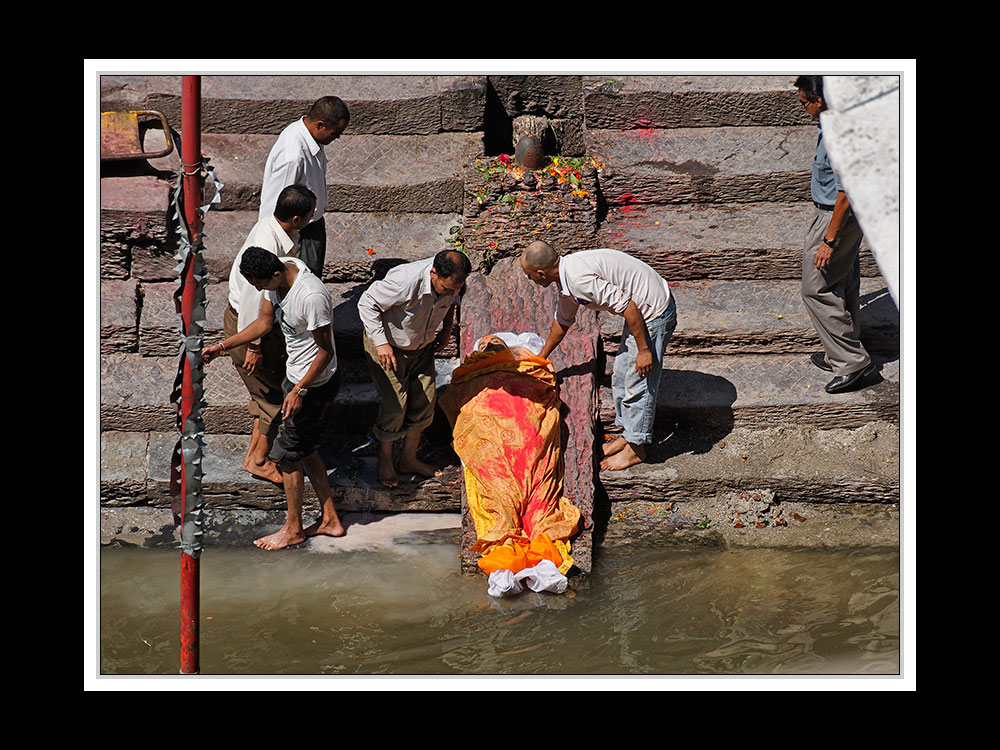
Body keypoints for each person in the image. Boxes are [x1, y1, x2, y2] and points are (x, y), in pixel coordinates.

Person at [204, 248, 344, 551]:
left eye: (259, 284)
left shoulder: (311, 297)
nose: (257, 290)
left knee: (285, 457)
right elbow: (264, 323)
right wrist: (222, 346)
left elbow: (325, 351)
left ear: (276, 274)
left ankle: (293, 529)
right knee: (305, 450)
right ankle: (330, 518)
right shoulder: (280, 277)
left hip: (313, 384)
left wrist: (299, 391)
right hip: (294, 376)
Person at [439, 331, 580, 596]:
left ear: (508, 348)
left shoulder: (523, 366)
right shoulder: (473, 370)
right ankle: (507, 568)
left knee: (539, 495)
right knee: (498, 496)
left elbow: (543, 389)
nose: (488, 345)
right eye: (484, 345)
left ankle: (542, 565)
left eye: (494, 343)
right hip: (488, 431)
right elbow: (462, 400)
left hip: (524, 426)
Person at [520, 241, 677, 471]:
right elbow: (563, 320)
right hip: (641, 306)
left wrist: (645, 351)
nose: (530, 279)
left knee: (638, 382)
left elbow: (630, 308)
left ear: (541, 273)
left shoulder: (578, 280)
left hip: (653, 311)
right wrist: (542, 356)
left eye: (529, 275)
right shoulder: (567, 276)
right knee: (622, 374)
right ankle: (628, 435)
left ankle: (637, 449)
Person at [357, 249, 471, 487]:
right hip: (389, 347)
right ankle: (386, 458)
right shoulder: (404, 281)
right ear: (433, 273)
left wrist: (447, 329)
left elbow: (450, 303)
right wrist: (381, 344)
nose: (452, 293)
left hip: (421, 347)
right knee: (395, 406)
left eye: (456, 289)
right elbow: (367, 304)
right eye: (447, 288)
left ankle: (409, 459)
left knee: (425, 401)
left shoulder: (452, 284)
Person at [226, 184, 317, 483]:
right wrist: (254, 345)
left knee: (265, 392)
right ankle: (258, 460)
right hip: (251, 327)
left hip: (261, 325)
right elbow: (255, 302)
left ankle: (256, 453)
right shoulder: (269, 246)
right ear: (296, 219)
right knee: (274, 398)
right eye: (310, 214)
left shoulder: (280, 230)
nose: (314, 218)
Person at [795, 75, 876, 394]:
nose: (802, 107)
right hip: (842, 215)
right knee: (841, 280)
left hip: (836, 217)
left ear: (820, 101)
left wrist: (828, 240)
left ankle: (853, 364)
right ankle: (842, 351)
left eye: (805, 101)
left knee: (815, 288)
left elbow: (846, 193)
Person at [258, 96, 350, 279]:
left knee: (310, 281)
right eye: (335, 133)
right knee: (300, 285)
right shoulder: (293, 156)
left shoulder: (310, 137)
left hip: (310, 224)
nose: (338, 137)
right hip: (297, 232)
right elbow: (275, 204)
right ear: (320, 125)